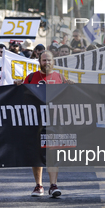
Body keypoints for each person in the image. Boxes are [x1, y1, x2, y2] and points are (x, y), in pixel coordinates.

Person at [17, 51, 73, 197]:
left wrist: (72, 87)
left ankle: (53, 185)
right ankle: (38, 186)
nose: (46, 63)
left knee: (53, 153)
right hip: (35, 123)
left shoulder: (60, 77)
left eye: (49, 60)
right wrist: (17, 85)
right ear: (39, 61)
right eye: (44, 60)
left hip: (54, 122)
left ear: (53, 61)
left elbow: (68, 97)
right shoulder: (31, 77)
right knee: (36, 154)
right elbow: (21, 96)